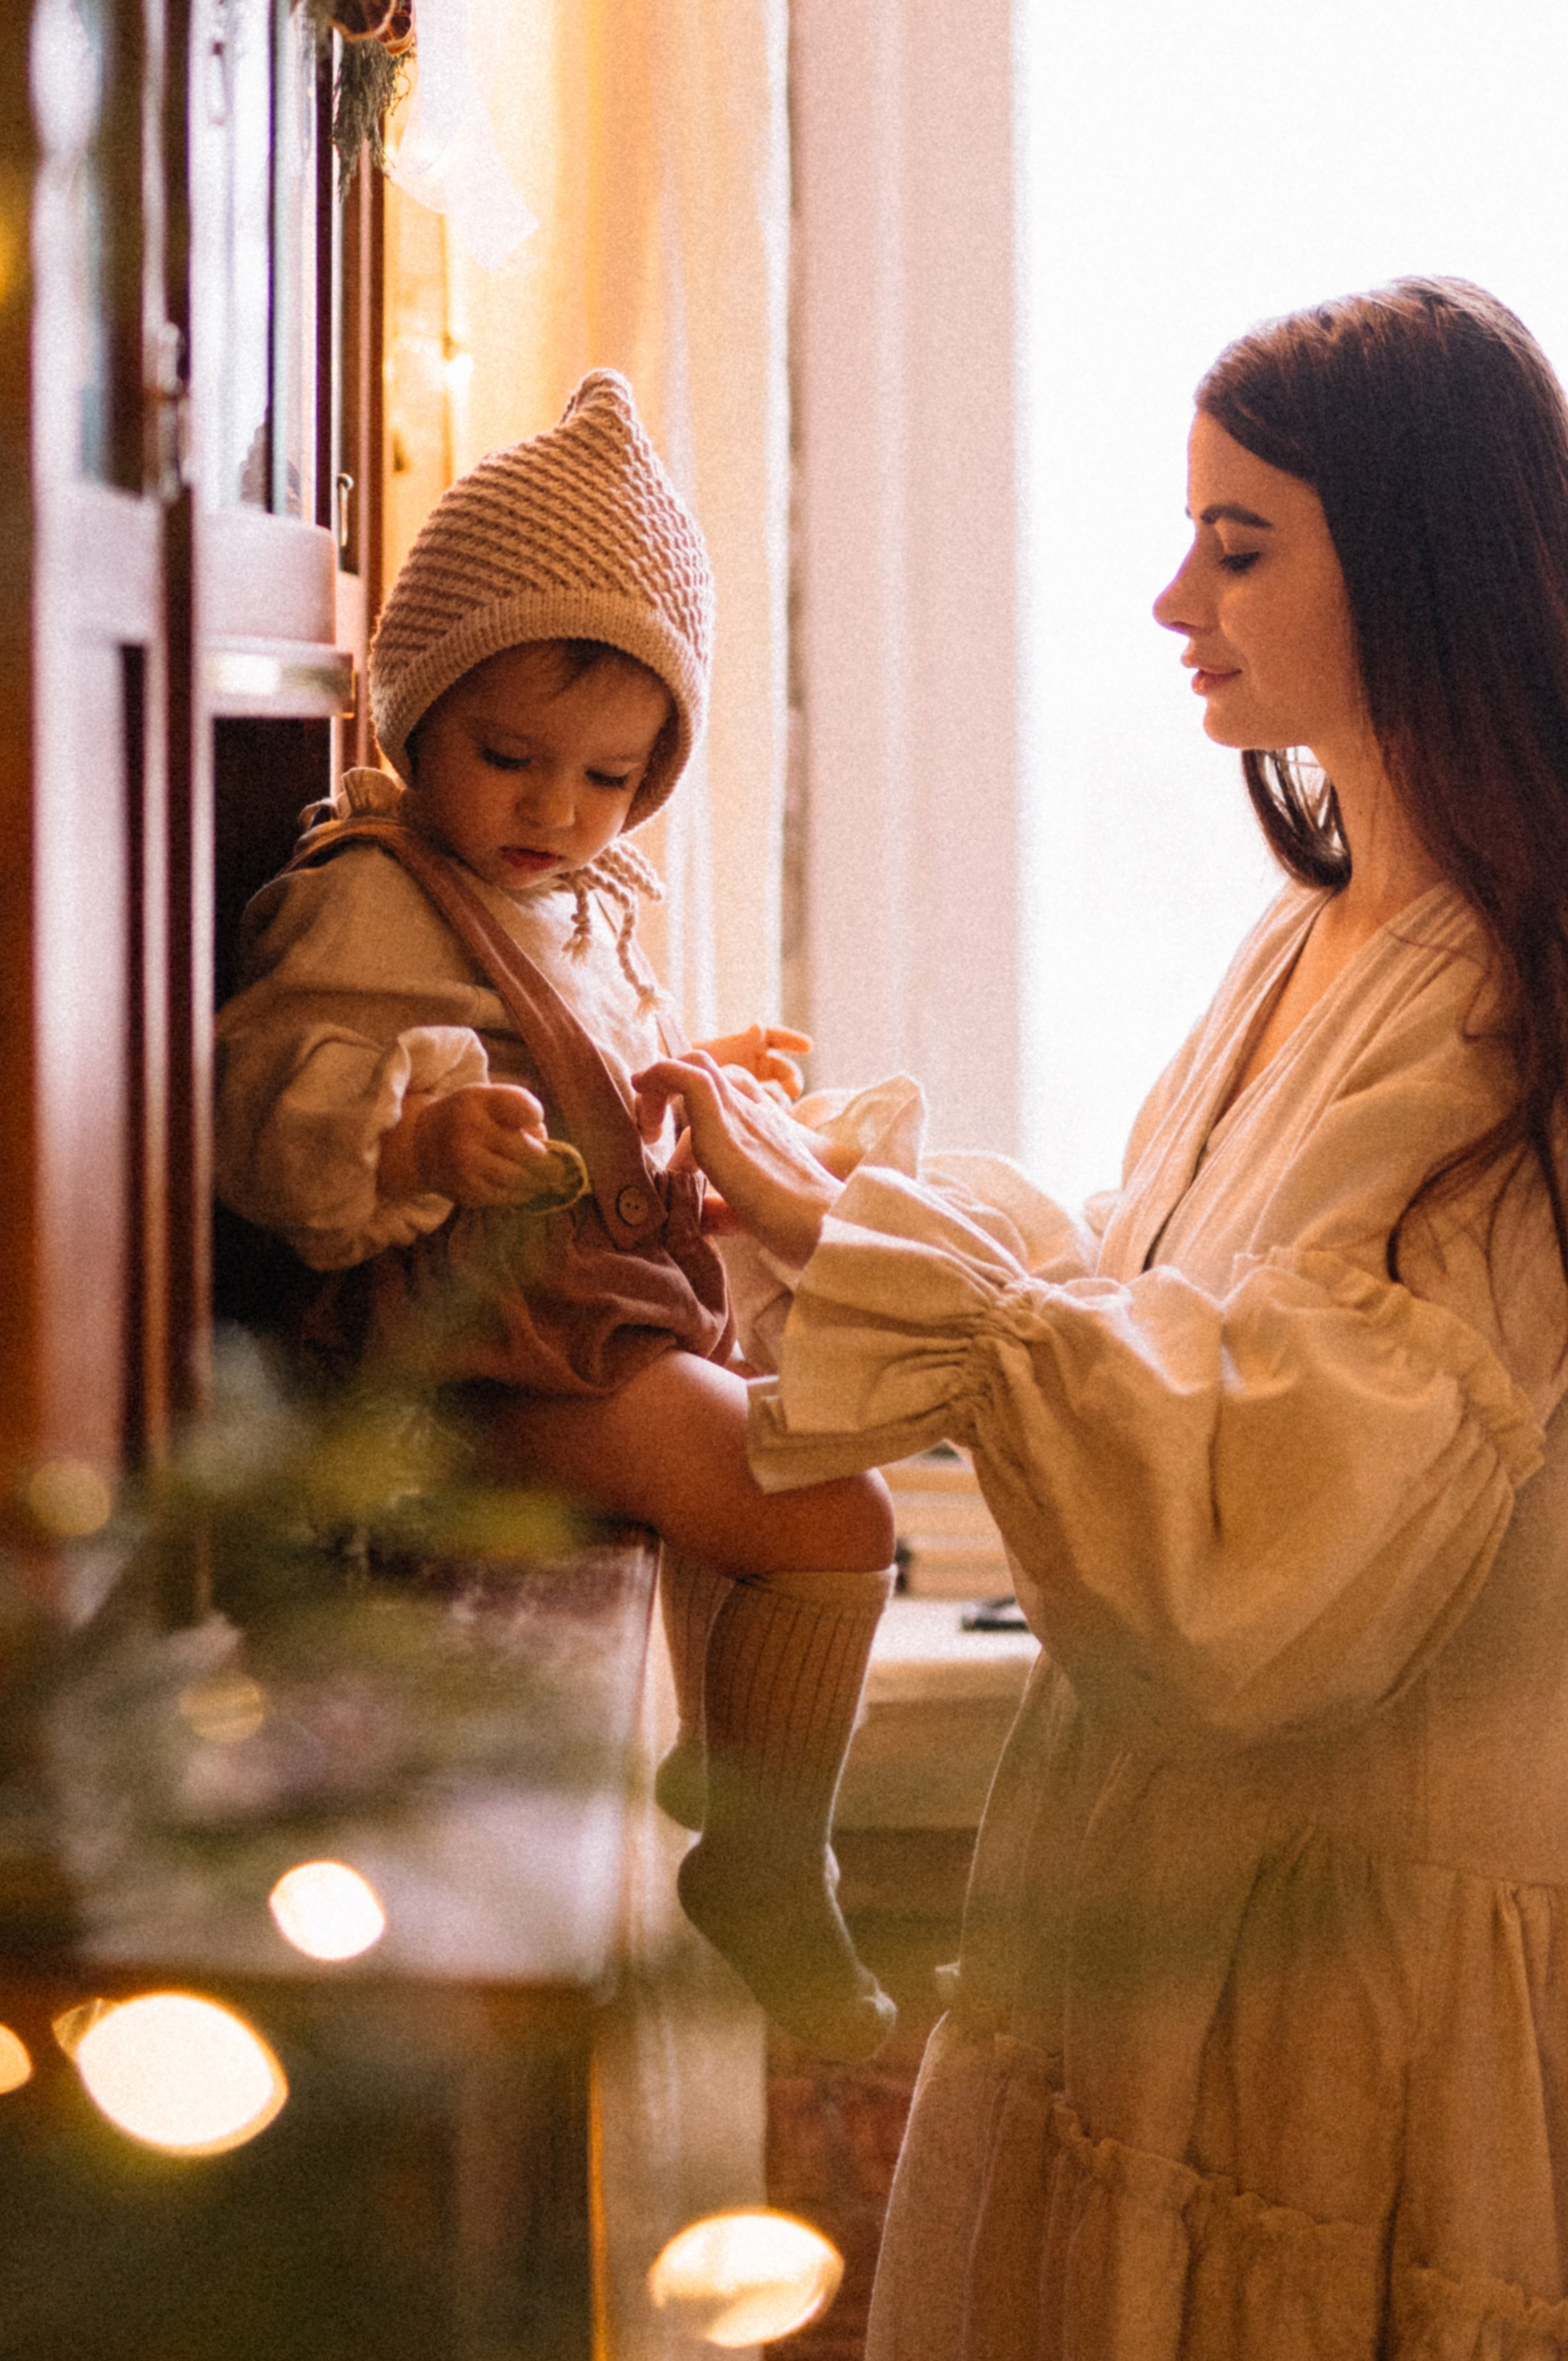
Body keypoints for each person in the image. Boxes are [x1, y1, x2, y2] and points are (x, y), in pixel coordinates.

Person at [631, 279, 1568, 2354]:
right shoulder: (1318, 934)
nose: (1175, 597)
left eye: (1242, 545)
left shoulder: (1507, 1010)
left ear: (1413, 562)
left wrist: (903, 1273)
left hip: (1360, 1957)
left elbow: (1272, 1538)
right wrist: (849, 1212)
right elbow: (1150, 1295)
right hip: (1189, 1893)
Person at [215, 370, 900, 2060]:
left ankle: (742, 1798)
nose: (554, 812)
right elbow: (266, 1100)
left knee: (810, 1486)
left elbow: (583, 1042)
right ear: (412, 711)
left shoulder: (579, 894)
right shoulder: (370, 892)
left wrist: (686, 1068)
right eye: (508, 757)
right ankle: (766, 1860)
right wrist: (420, 1139)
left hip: (578, 1323)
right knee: (834, 1515)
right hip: (474, 1366)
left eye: (608, 778)